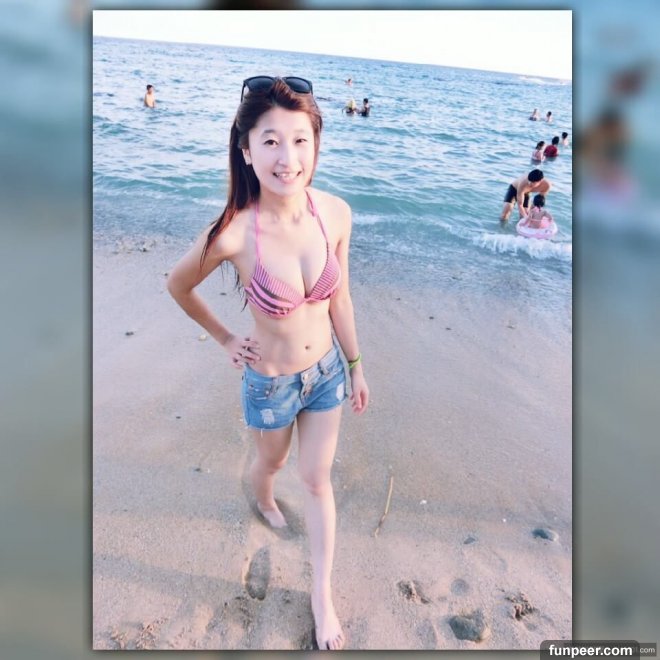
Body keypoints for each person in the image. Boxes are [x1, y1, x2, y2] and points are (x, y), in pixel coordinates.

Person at [167, 76, 369, 651]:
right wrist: (226, 338)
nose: (288, 158)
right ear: (246, 148)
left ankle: (321, 595)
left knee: (317, 479)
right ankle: (260, 495)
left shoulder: (335, 213)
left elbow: (341, 297)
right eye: (271, 141)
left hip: (326, 374)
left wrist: (356, 364)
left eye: (300, 140)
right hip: (271, 384)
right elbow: (178, 285)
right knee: (271, 463)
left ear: (316, 143)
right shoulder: (235, 232)